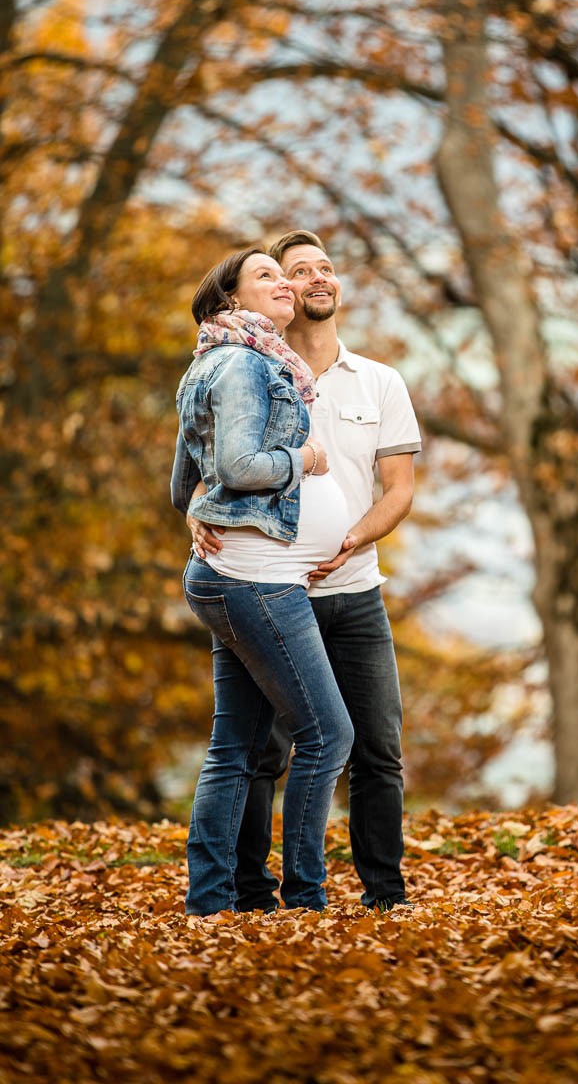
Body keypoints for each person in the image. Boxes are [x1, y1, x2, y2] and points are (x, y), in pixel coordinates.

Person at [188, 230, 421, 911]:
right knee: (261, 752)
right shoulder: (257, 369)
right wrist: (196, 512)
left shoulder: (377, 381)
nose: (313, 279)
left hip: (353, 593)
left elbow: (399, 489)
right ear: (275, 294)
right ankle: (256, 893)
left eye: (324, 268)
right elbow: (214, 461)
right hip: (269, 587)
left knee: (375, 749)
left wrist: (351, 538)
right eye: (294, 271)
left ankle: (384, 895)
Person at [171, 247, 355, 916]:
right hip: (257, 581)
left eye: (284, 275)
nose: (284, 283)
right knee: (328, 736)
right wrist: (302, 459)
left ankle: (212, 902)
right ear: (231, 303)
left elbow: (182, 483)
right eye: (267, 276)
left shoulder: (213, 362)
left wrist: (199, 508)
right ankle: (306, 898)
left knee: (235, 746)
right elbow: (240, 465)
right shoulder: (246, 364)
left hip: (238, 575)